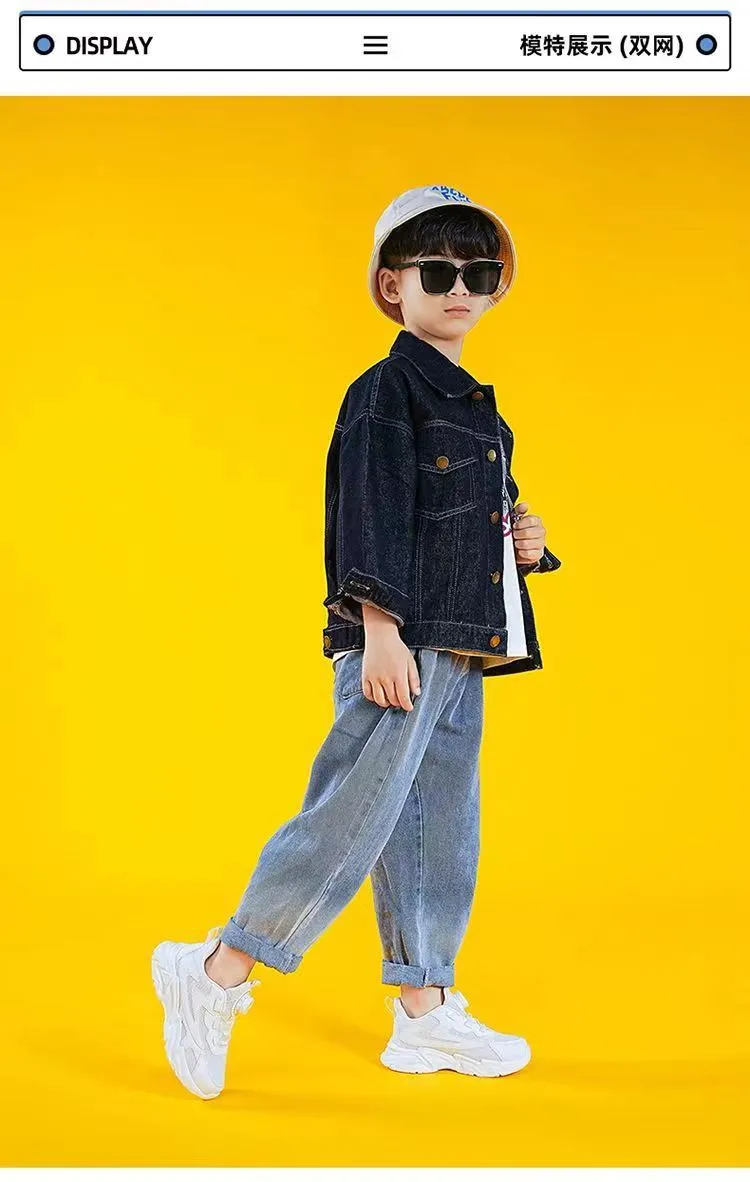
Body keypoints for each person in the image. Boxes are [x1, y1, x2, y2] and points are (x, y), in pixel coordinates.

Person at [152, 183, 562, 1100]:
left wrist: (528, 546)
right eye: (438, 272)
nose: (461, 289)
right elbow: (366, 517)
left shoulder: (481, 413)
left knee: (438, 825)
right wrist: (379, 631)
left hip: (461, 642)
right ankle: (217, 968)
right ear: (392, 285)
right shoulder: (384, 393)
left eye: (480, 274)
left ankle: (424, 1011)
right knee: (356, 812)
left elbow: (470, 523)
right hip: (401, 640)